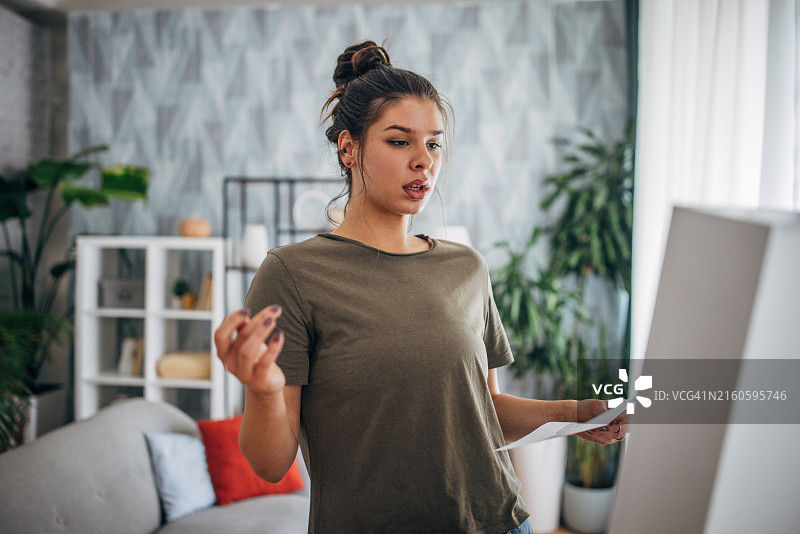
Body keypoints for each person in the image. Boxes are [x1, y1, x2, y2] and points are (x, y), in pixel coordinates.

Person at [214, 40, 627, 534]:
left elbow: (483, 409)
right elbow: (270, 463)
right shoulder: (293, 273)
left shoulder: (467, 268)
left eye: (433, 143)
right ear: (348, 148)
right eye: (398, 141)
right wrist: (262, 391)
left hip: (497, 522)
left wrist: (579, 413)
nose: (423, 161)